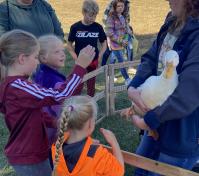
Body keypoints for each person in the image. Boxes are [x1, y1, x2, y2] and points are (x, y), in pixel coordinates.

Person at [0, 29, 95, 176]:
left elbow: (31, 113)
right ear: (22, 59)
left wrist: (54, 123)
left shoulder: (14, 85)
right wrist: (80, 67)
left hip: (29, 153)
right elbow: (60, 95)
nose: (37, 61)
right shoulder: (18, 86)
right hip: (29, 156)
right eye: (35, 57)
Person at [127, 0, 199, 175]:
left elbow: (188, 94)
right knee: (140, 169)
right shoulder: (172, 21)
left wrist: (148, 121)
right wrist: (133, 86)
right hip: (156, 125)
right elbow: (152, 58)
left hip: (180, 133)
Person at [51, 95, 124, 176]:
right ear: (90, 124)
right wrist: (114, 142)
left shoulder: (56, 147)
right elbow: (119, 171)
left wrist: (88, 144)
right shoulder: (98, 155)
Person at [0, 0, 64, 82]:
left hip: (49, 69)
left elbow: (59, 34)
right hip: (22, 72)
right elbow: (4, 40)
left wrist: (53, 53)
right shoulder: (5, 8)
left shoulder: (44, 5)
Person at [32, 35, 67, 168]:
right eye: (57, 51)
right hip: (53, 125)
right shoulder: (53, 80)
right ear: (43, 58)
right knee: (54, 157)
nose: (62, 54)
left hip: (42, 125)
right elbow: (61, 103)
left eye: (62, 50)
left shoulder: (39, 73)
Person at [67, 0, 107, 97]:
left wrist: (99, 56)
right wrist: (76, 58)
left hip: (93, 61)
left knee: (91, 83)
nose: (93, 18)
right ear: (84, 12)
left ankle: (90, 102)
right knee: (78, 83)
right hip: (80, 61)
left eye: (95, 16)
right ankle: (75, 102)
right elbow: (69, 44)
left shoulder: (98, 27)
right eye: (90, 15)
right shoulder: (75, 27)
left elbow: (104, 43)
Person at [105, 0, 132, 86]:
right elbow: (110, 33)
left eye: (122, 6)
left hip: (122, 43)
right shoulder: (111, 17)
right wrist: (121, 41)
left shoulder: (122, 16)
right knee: (121, 61)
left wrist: (129, 32)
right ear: (115, 7)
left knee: (113, 59)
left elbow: (124, 27)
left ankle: (109, 76)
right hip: (115, 43)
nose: (121, 8)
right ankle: (127, 79)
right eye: (119, 6)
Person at [101, 0, 133, 66]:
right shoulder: (112, 3)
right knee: (109, 50)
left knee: (129, 47)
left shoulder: (127, 3)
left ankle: (130, 66)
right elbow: (105, 19)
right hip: (110, 30)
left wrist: (128, 30)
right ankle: (103, 66)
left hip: (122, 31)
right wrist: (108, 35)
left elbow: (127, 17)